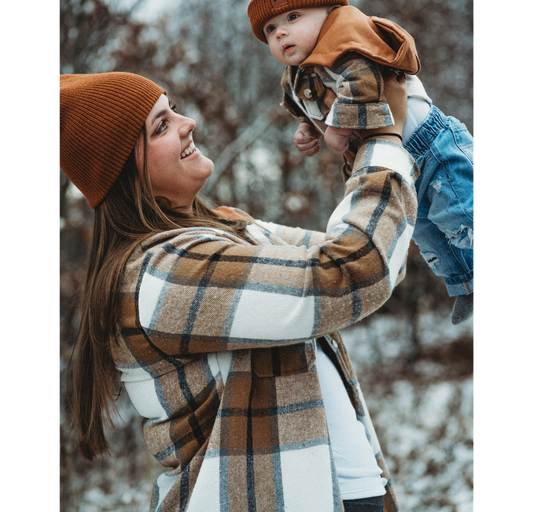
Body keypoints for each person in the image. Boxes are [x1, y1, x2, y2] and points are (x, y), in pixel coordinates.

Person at [58, 70, 415, 512]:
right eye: (162, 126)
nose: (188, 122)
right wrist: (384, 140)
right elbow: (355, 270)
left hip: (347, 493)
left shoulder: (231, 227)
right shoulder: (161, 273)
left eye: (173, 110)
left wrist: (355, 137)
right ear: (124, 171)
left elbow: (377, 258)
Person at [247, 0, 476, 324]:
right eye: (270, 28)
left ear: (330, 11)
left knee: (461, 214)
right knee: (428, 230)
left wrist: (338, 128)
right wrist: (307, 130)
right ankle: (467, 285)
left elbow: (364, 81)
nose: (280, 33)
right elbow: (303, 108)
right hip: (400, 162)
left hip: (432, 144)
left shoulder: (349, 41)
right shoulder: (295, 76)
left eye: (293, 16)